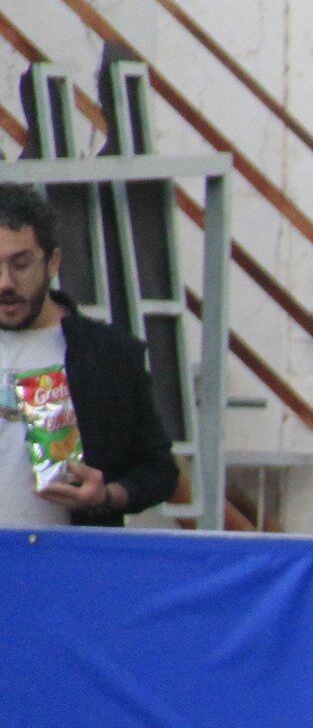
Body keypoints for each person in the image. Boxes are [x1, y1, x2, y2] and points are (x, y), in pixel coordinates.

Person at [0, 184, 177, 528]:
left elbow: (160, 470)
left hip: (63, 553)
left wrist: (106, 495)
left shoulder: (107, 355)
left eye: (20, 265)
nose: (5, 283)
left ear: (52, 262)